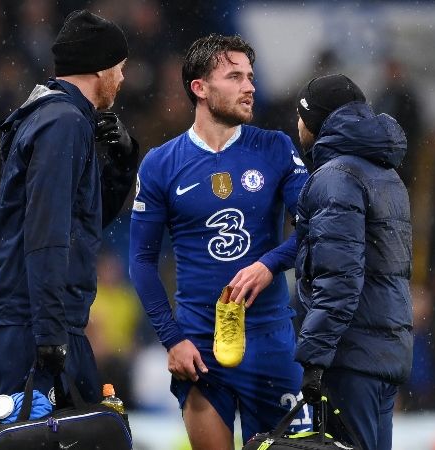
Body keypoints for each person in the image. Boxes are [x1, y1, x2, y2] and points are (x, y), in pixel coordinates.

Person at [129, 34, 310, 448]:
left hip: (271, 342)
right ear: (200, 88)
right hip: (200, 349)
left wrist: (270, 264)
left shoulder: (275, 148)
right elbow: (141, 261)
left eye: (251, 76)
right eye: (235, 76)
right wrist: (172, 339)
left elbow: (314, 229)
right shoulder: (161, 164)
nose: (250, 86)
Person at [0, 10, 138, 403]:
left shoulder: (60, 118)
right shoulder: (63, 123)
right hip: (33, 324)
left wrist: (123, 160)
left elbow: (84, 221)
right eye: (120, 68)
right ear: (100, 69)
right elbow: (46, 232)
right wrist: (49, 332)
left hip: (42, 320)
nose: (122, 78)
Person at [293, 74, 413, 450]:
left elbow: (340, 278)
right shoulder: (387, 173)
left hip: (349, 354)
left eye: (300, 115)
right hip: (385, 350)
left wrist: (314, 357)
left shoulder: (335, 177)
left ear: (316, 120)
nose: (296, 125)